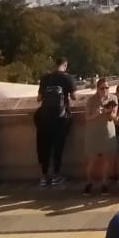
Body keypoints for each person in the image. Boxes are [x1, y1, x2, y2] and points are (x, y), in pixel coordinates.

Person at [35, 57, 76, 187]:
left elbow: (39, 98)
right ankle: (56, 176)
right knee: (58, 147)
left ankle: (43, 176)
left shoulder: (45, 77)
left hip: (45, 117)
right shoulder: (68, 78)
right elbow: (74, 97)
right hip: (61, 118)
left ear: (55, 64)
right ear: (65, 65)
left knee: (44, 146)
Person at [84, 78, 117, 196]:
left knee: (106, 160)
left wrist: (109, 113)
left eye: (107, 88)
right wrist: (96, 114)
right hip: (94, 133)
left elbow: (115, 117)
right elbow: (86, 117)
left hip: (107, 133)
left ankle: (104, 184)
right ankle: (89, 182)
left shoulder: (113, 98)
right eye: (102, 88)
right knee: (91, 161)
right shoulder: (91, 100)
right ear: (97, 89)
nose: (105, 90)